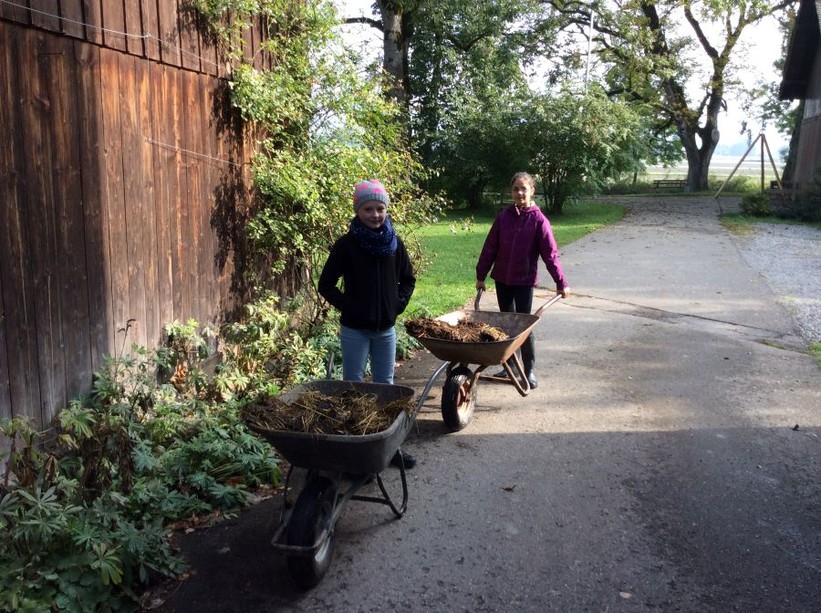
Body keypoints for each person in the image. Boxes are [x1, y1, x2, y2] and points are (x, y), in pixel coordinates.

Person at [318, 179, 417, 469]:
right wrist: (351, 306)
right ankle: (356, 447)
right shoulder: (346, 246)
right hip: (354, 330)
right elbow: (326, 284)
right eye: (368, 209)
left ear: (387, 210)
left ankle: (387, 448)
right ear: (358, 210)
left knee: (385, 387)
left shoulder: (394, 244)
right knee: (354, 386)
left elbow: (408, 280)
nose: (375, 215)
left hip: (385, 330)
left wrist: (395, 306)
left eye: (380, 209)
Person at [475, 172, 570, 389]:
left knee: (525, 325)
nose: (519, 193)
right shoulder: (503, 217)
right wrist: (481, 276)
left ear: (532, 191)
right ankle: (510, 366)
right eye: (516, 189)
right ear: (512, 191)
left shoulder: (539, 221)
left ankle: (528, 370)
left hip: (524, 281)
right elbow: (490, 247)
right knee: (507, 325)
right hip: (502, 279)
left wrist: (561, 282)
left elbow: (550, 254)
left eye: (523, 189)